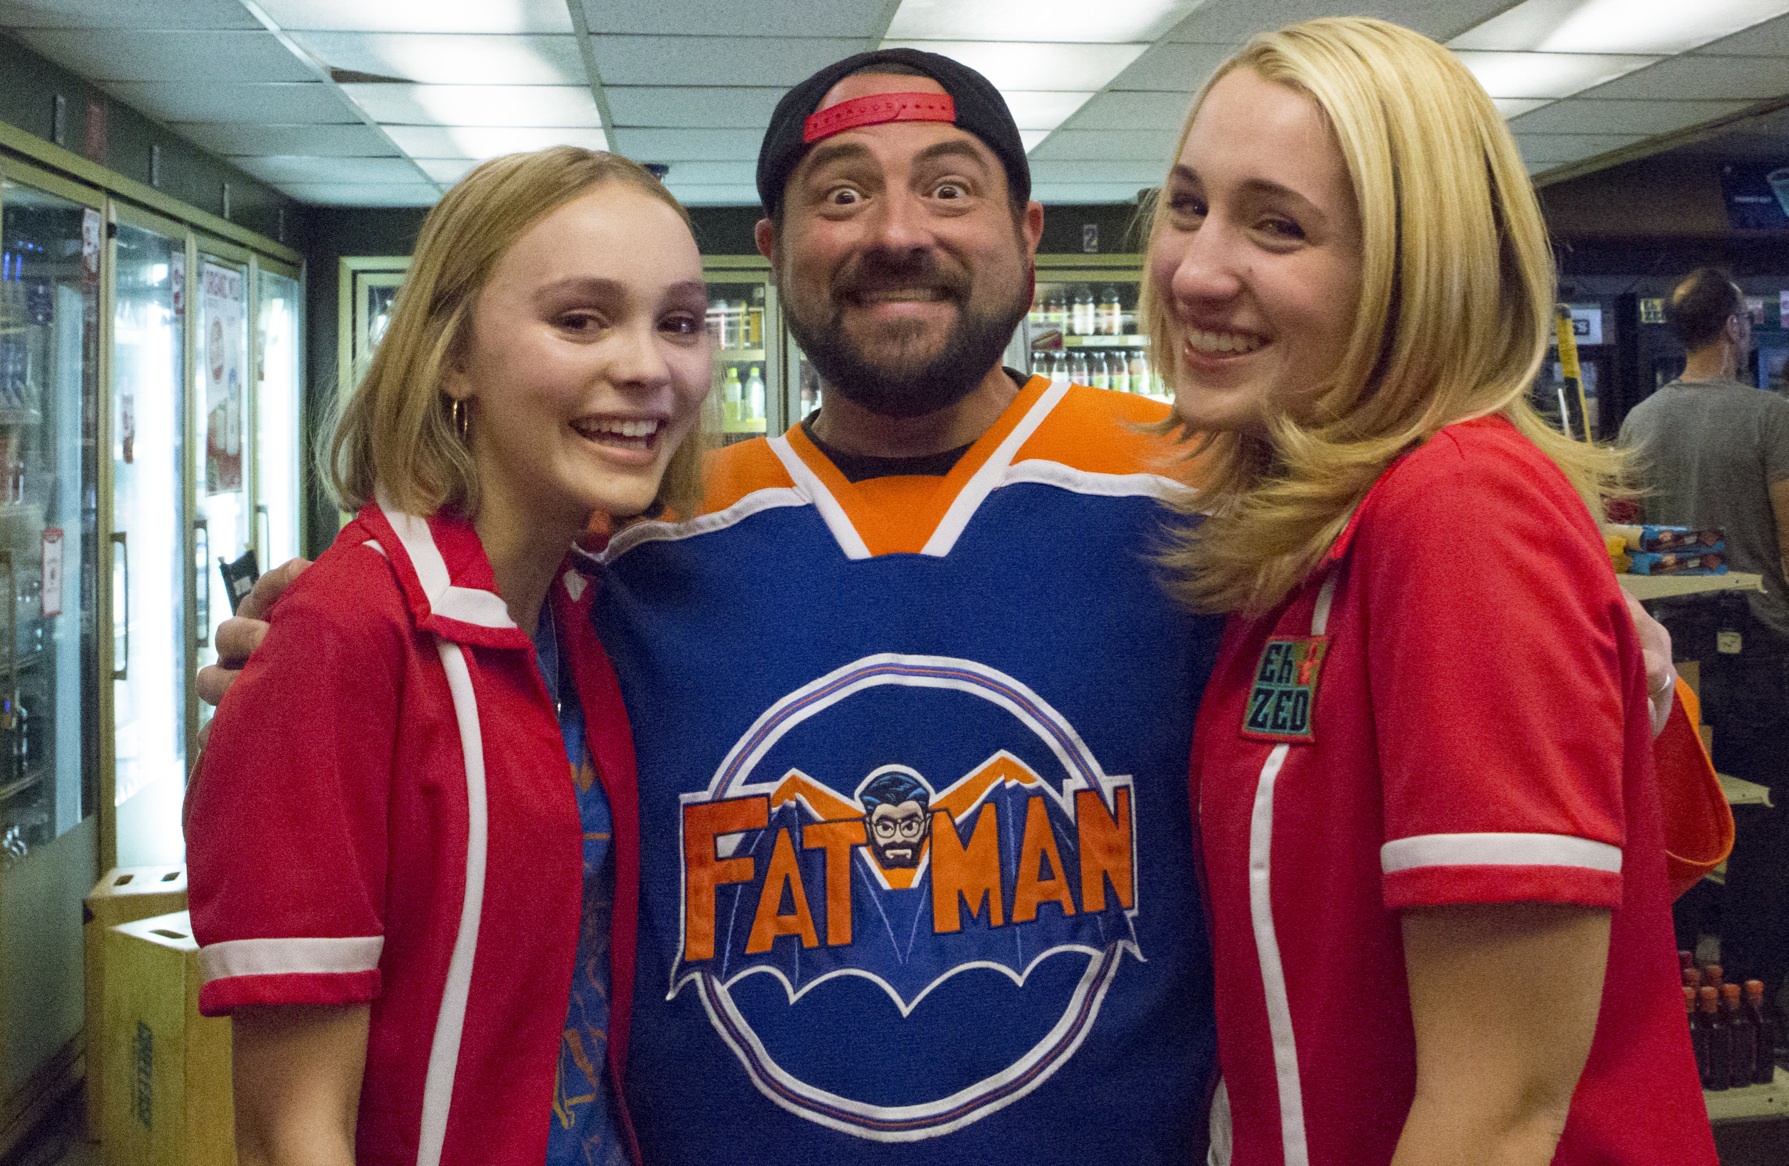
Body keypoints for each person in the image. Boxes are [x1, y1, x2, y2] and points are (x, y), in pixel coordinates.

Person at [201, 47, 1691, 1166]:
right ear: (772, 256)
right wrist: (332, 644)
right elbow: (471, 717)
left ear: (1030, 238)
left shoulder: (1231, 510)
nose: (895, 230)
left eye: (951, 189)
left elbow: (1563, 796)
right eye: (838, 197)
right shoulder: (642, 544)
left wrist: (1607, 635)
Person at [1148, 18, 1715, 1165]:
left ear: (1413, 266)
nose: (1198, 270)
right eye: (1185, 204)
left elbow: (1498, 1112)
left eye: (1277, 226)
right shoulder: (1319, 531)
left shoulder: (1458, 513)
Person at [184, 148, 710, 1166]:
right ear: (453, 354)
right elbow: (293, 1128)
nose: (648, 365)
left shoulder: (598, 614)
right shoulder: (345, 629)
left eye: (678, 321)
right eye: (581, 318)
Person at [1621, 268, 1789, 1002]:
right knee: (1763, 819)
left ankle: (1678, 975)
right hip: (1759, 643)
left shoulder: (1638, 420)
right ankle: (1754, 983)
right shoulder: (1767, 416)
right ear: (1731, 328)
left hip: (1671, 649)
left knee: (1680, 810)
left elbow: (1624, 535)